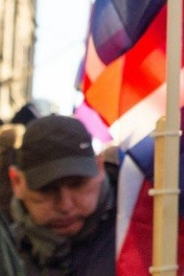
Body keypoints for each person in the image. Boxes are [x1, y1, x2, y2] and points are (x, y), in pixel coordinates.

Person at [8, 115, 114, 276]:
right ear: (16, 182)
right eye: (47, 190)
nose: (65, 205)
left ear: (99, 167)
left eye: (77, 184)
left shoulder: (137, 236)